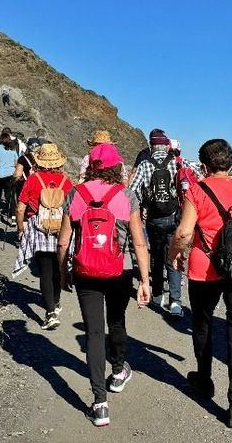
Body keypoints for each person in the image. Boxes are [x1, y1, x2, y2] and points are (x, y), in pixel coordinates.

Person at [169, 138, 232, 428]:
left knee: (202, 323)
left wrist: (173, 255)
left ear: (203, 165)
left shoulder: (197, 191)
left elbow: (185, 233)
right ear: (230, 162)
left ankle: (204, 379)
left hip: (205, 268)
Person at [57, 143, 150, 427]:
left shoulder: (75, 194)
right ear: (117, 167)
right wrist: (145, 280)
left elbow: (63, 242)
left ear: (91, 166)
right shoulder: (126, 195)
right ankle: (119, 372)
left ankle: (99, 403)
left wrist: (63, 272)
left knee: (94, 334)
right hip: (118, 272)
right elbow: (138, 242)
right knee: (117, 322)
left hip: (86, 272)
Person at [129, 135, 194, 316]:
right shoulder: (179, 163)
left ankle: (157, 295)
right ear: (166, 147)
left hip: (153, 219)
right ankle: (175, 303)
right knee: (174, 257)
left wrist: (143, 206)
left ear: (151, 147)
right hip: (174, 218)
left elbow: (132, 190)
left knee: (156, 257)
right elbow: (193, 184)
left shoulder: (145, 164)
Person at [16, 144, 73, 329]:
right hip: (61, 229)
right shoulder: (66, 182)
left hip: (38, 228)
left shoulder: (33, 179)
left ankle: (50, 313)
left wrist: (20, 228)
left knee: (45, 271)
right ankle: (55, 303)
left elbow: (20, 208)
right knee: (58, 268)